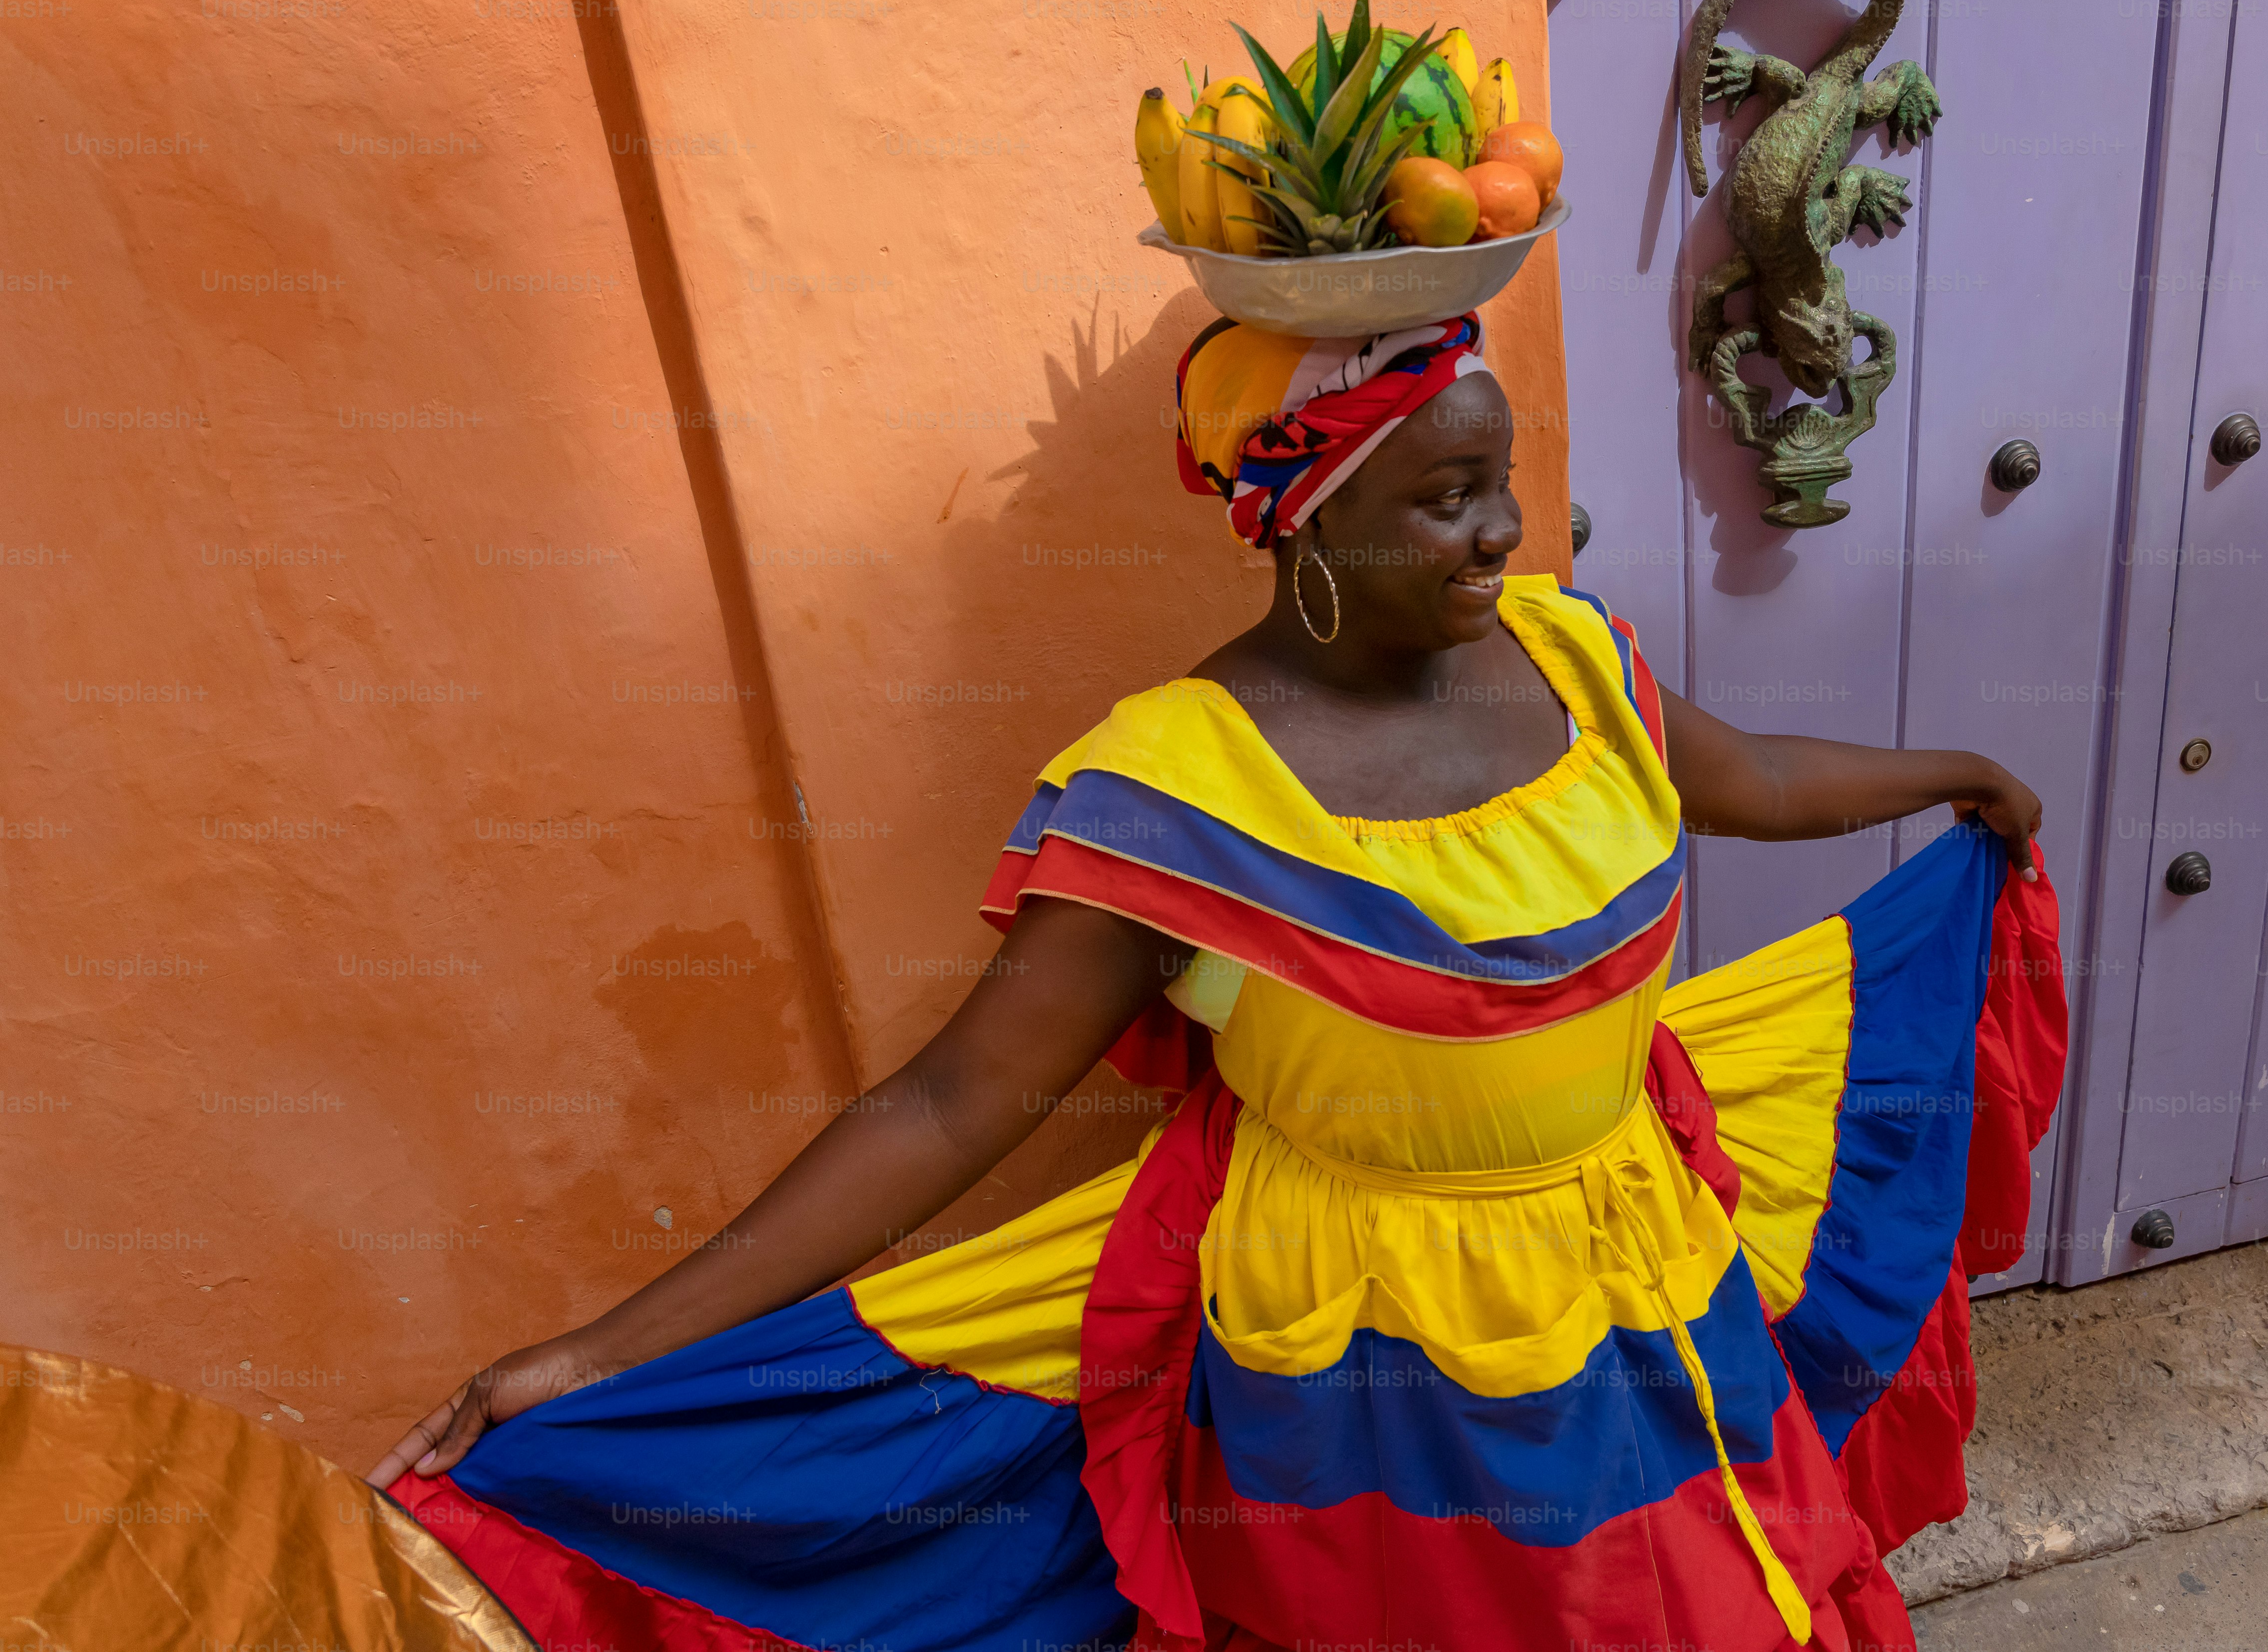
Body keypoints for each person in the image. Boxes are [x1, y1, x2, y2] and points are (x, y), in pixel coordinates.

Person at [374, 312, 2063, 1652]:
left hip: (1640, 1268)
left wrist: (1951, 774)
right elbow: (952, 1101)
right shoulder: (1175, 794)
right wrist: (601, 1354)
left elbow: (1749, 778)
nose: (1495, 529)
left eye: (1500, 479)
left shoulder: (1574, 653)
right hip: (1374, 1360)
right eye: (1442, 496)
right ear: (1307, 517)